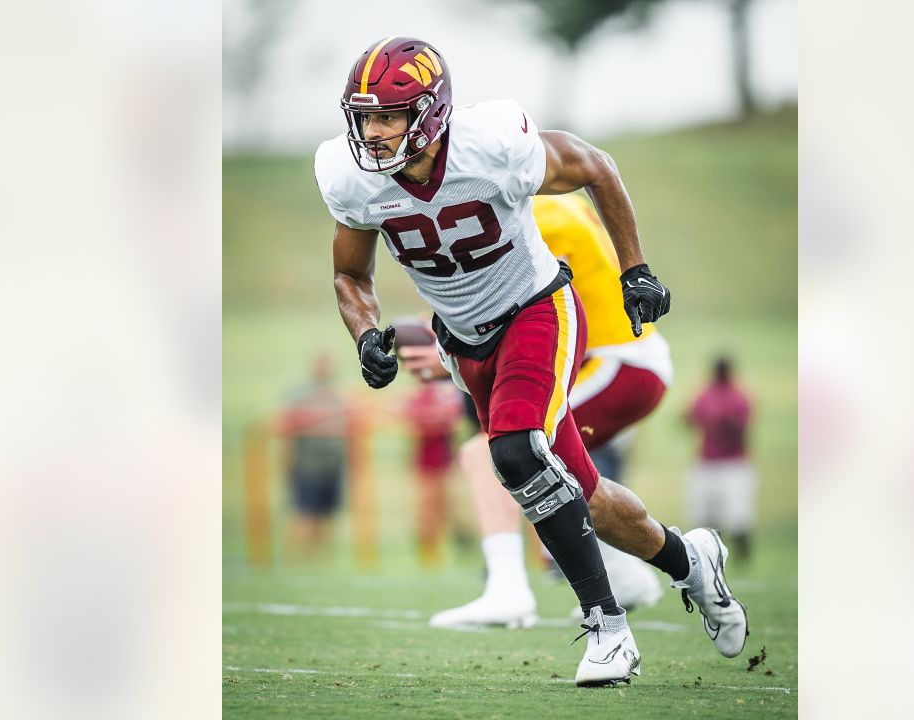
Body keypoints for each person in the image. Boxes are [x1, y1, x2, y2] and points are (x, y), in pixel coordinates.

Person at [314, 36, 746, 686]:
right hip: (465, 340)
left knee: (514, 452)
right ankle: (692, 561)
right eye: (364, 116)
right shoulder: (351, 178)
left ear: (430, 115)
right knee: (586, 496)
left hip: (537, 307)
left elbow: (595, 165)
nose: (371, 133)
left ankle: (608, 630)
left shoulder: (491, 145)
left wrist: (637, 268)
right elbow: (352, 274)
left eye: (387, 117)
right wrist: (365, 333)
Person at [400, 194, 673, 627]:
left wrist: (445, 350)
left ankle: (508, 588)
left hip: (618, 361)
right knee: (561, 473)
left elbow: (518, 306)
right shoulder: (550, 203)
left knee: (496, 454)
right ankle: (632, 573)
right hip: (615, 358)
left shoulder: (532, 217)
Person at [275, 352, 350, 556]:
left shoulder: (338, 395)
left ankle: (319, 564)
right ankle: (297, 561)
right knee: (304, 515)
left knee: (327, 517)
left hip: (332, 467)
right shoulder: (300, 395)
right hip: (307, 467)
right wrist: (287, 463)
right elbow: (287, 431)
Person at [685, 356, 757, 562]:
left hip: (731, 461)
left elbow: (740, 431)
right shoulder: (715, 395)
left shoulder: (733, 396)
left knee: (738, 516)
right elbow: (689, 418)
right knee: (706, 517)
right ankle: (713, 556)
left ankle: (741, 559)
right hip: (709, 461)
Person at [401, 369, 465, 566]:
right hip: (426, 466)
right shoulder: (421, 398)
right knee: (426, 511)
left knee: (445, 510)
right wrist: (438, 420)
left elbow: (453, 420)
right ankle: (428, 553)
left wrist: (437, 420)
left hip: (445, 464)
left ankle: (439, 551)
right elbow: (417, 421)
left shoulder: (445, 397)